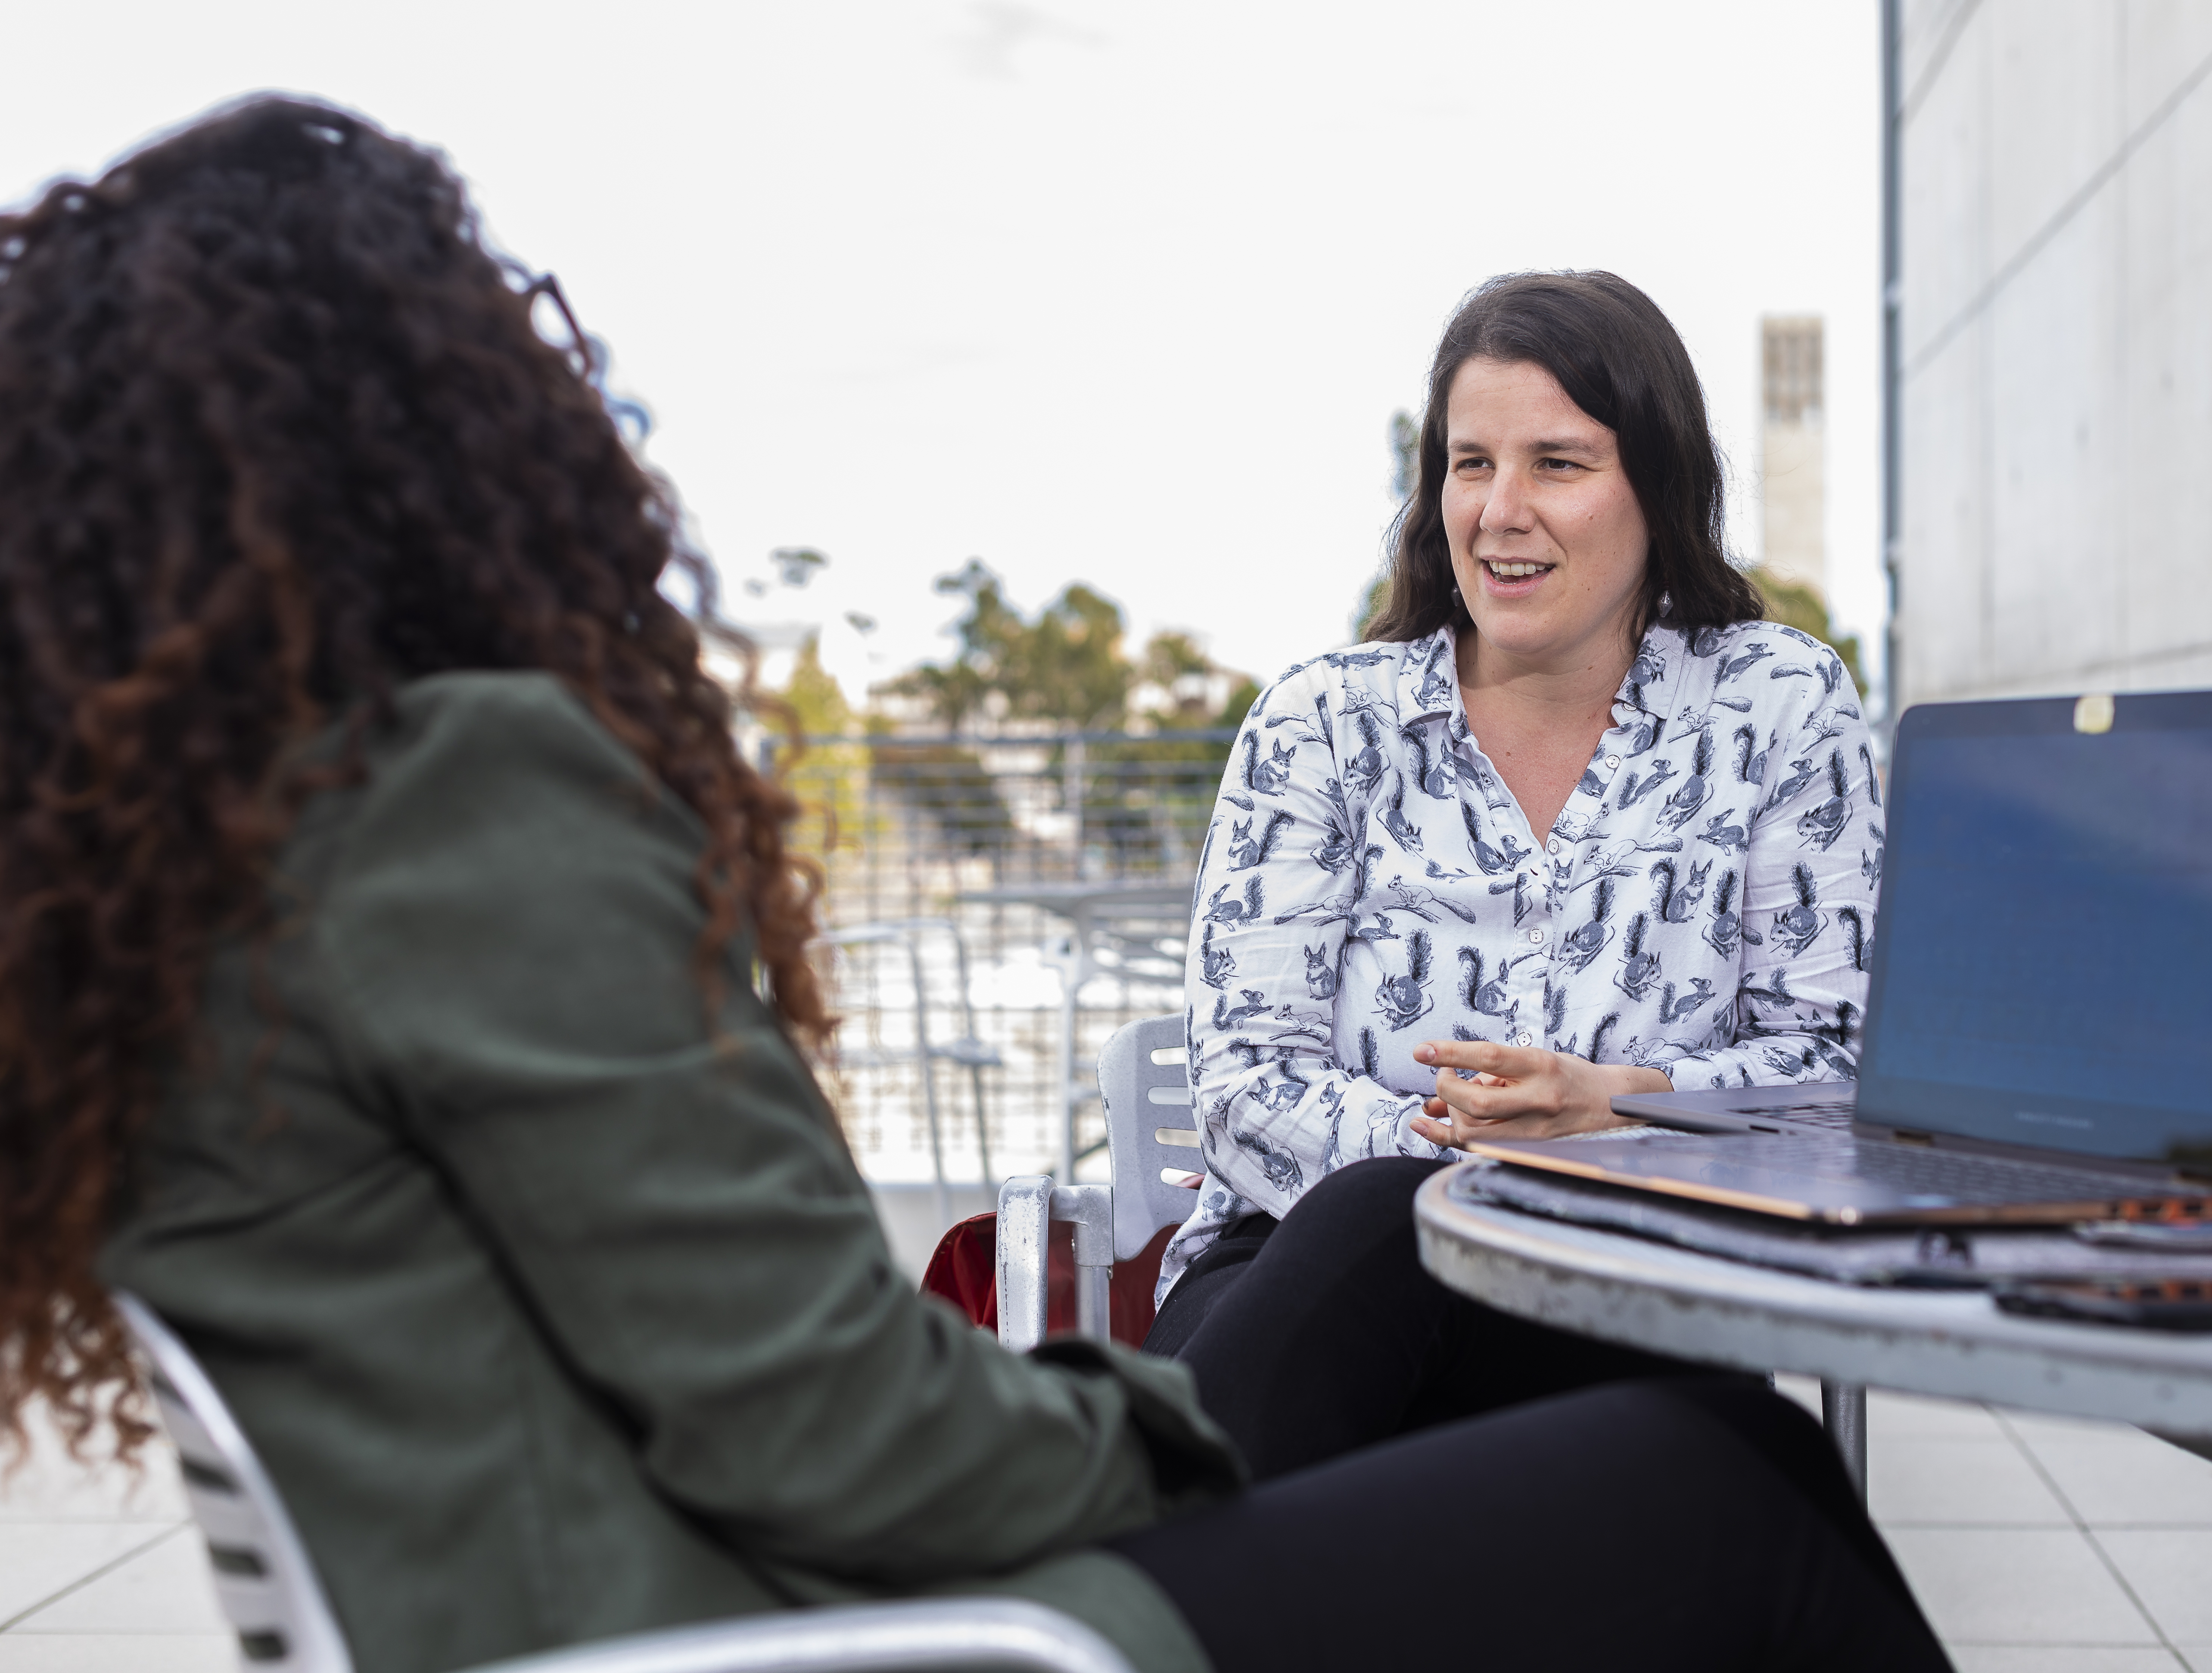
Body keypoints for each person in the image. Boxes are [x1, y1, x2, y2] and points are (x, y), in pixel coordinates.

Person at [0, 99, 1947, 1673]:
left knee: (1593, 1393)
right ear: (428, 448)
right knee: (1723, 1481)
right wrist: (1153, 1432)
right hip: (813, 1632)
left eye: (1560, 464)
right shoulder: (462, 800)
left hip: (623, 1608)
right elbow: (830, 1427)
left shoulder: (172, 883)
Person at [1148, 272, 1885, 1475]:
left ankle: (1110, 1593)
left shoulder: (1775, 706)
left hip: (1634, 1273)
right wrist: (1473, 1158)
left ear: (1659, 482)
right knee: (1384, 1214)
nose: (1500, 511)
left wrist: (1610, 1108)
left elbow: (1833, 1068)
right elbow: (1246, 1084)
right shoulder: (1325, 722)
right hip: (1301, 1272)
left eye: (1557, 463)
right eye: (1470, 462)